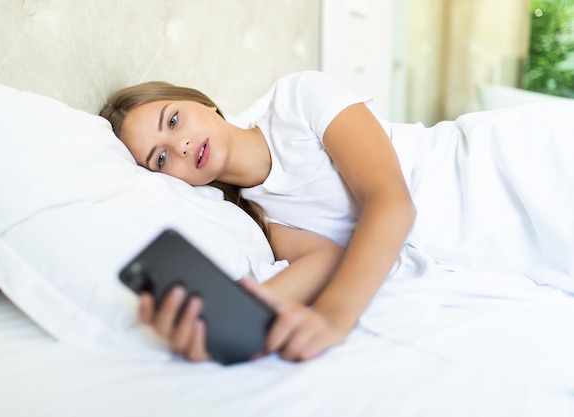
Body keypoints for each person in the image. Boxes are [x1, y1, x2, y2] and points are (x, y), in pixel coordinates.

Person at [100, 70, 574, 363]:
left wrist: (332, 318)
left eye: (174, 120)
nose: (178, 146)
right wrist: (221, 321)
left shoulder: (297, 99)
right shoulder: (258, 217)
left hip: (505, 167)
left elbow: (391, 201)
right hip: (489, 240)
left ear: (203, 102)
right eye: (160, 159)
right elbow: (324, 262)